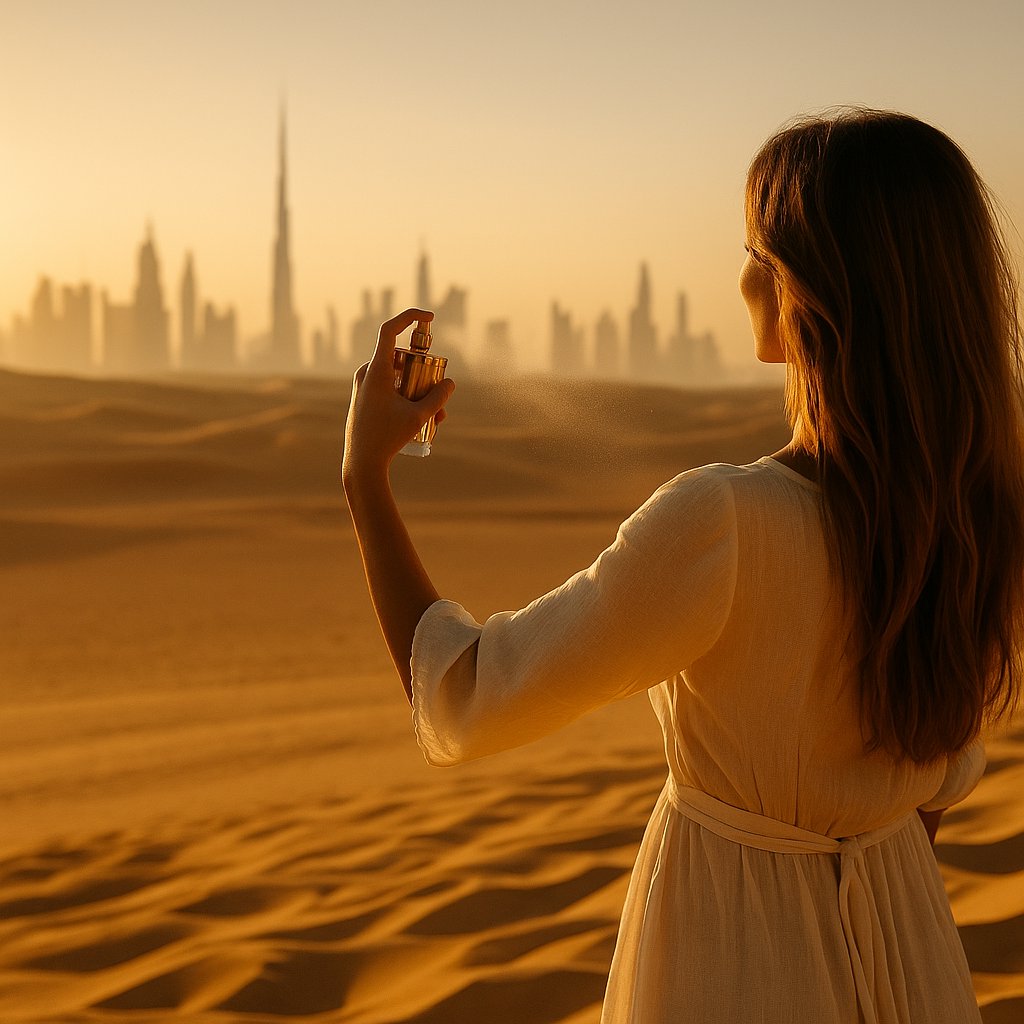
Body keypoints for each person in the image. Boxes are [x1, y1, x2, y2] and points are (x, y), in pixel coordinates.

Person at [341, 108, 1024, 1023]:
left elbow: (464, 700)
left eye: (757, 252)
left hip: (734, 963)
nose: (742, 275)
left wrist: (363, 479)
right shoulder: (977, 519)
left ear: (810, 292)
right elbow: (935, 788)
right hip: (910, 957)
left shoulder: (727, 525)